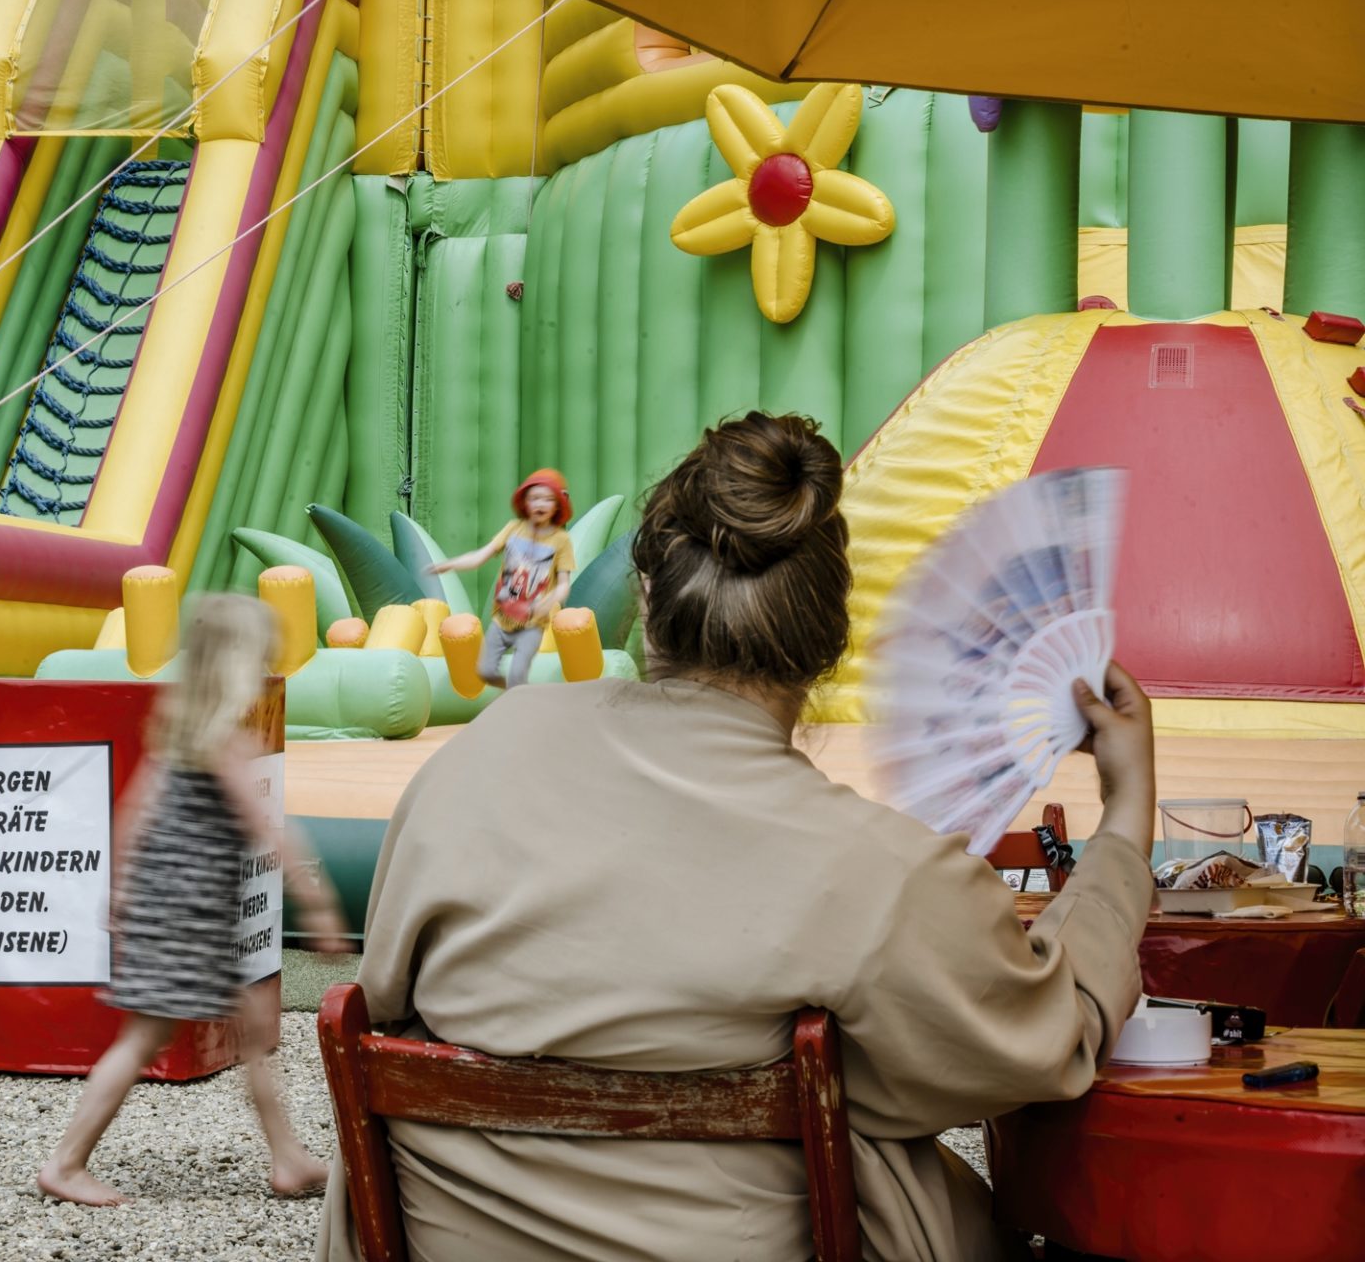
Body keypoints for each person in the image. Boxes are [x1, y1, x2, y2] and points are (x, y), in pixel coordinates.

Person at [317, 412, 1156, 1262]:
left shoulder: (482, 758)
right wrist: (1126, 815)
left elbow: (384, 1007)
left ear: (647, 602)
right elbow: (1046, 1045)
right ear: (828, 642)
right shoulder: (878, 873)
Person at [39, 593, 351, 1208]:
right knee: (143, 1039)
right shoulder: (221, 742)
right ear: (239, 663)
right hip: (187, 917)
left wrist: (120, 888)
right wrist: (319, 905)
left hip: (184, 912)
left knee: (255, 1031)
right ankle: (66, 1162)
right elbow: (272, 830)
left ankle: (286, 1156)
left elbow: (133, 811)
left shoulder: (180, 729)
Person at [429, 468, 576, 690]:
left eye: (548, 499)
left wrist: (550, 601)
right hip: (502, 620)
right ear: (525, 503)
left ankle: (517, 702)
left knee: (518, 674)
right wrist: (450, 564)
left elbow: (564, 584)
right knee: (485, 672)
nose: (540, 504)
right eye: (535, 498)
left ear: (557, 505)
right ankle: (513, 696)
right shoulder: (513, 529)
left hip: (532, 624)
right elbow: (481, 556)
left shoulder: (561, 540)